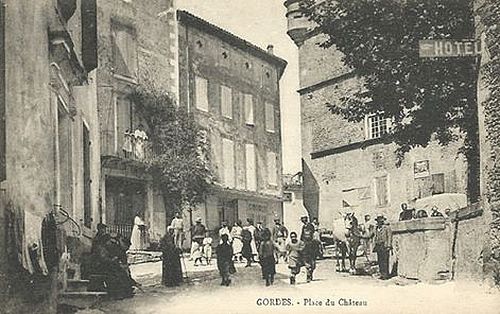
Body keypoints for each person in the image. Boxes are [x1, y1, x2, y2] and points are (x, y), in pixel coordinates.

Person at [373, 215, 392, 280]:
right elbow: (371, 235)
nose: (379, 222)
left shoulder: (387, 228)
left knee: (385, 260)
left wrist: (389, 245)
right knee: (380, 260)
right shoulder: (376, 228)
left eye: (380, 221)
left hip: (384, 245)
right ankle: (381, 274)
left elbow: (389, 237)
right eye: (378, 221)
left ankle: (386, 275)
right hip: (378, 245)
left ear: (382, 221)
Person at [300, 215, 318, 282]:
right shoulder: (303, 227)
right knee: (307, 261)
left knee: (312, 262)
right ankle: (308, 275)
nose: (303, 221)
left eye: (304, 220)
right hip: (305, 246)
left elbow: (311, 234)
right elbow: (302, 236)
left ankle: (310, 273)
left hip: (311, 245)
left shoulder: (310, 226)